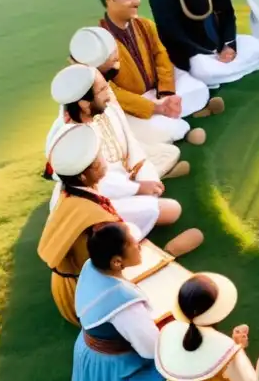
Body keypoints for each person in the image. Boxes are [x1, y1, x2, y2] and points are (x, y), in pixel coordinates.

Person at [37, 125, 203, 325]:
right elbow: (118, 264)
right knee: (175, 298)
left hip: (74, 287)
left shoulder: (70, 193)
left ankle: (165, 254)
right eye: (98, 162)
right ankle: (167, 254)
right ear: (83, 176)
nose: (104, 162)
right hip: (86, 301)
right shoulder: (97, 220)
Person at [46, 64, 185, 240]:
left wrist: (145, 177)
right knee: (170, 210)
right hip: (92, 201)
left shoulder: (106, 106)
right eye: (103, 89)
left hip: (124, 180)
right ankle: (103, 235)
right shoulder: (69, 137)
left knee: (166, 155)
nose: (109, 93)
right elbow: (92, 185)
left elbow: (132, 146)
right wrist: (138, 188)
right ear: (83, 102)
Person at [97, 0, 219, 147]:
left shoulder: (144, 25)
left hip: (158, 91)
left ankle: (180, 113)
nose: (137, 2)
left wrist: (166, 93)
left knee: (197, 87)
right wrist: (154, 107)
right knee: (149, 125)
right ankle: (185, 121)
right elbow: (109, 90)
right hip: (135, 103)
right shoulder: (99, 42)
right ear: (110, 1)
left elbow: (161, 56)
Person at [71, 222, 165, 381]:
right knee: (176, 373)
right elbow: (151, 349)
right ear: (116, 262)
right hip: (113, 366)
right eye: (133, 244)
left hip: (90, 350)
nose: (139, 245)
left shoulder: (91, 266)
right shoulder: (123, 303)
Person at [67, 26, 185, 178]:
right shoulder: (83, 92)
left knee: (170, 149)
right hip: (102, 168)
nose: (117, 56)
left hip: (122, 142)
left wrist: (159, 104)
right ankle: (141, 181)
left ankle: (146, 175)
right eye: (112, 54)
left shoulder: (100, 78)